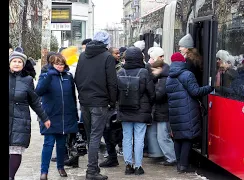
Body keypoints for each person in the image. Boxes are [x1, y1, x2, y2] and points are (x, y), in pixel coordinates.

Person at [75, 31, 117, 180]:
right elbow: (112, 82)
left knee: (90, 136)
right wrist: (112, 101)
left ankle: (93, 169)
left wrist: (82, 96)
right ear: (106, 43)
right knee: (95, 136)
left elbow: (77, 78)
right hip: (100, 103)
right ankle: (92, 171)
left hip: (85, 102)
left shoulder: (83, 56)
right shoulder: (108, 57)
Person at [165, 52, 213, 173]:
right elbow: (195, 92)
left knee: (178, 138)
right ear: (182, 62)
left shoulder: (169, 77)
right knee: (187, 138)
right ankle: (184, 165)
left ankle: (179, 164)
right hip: (187, 111)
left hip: (174, 112)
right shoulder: (187, 74)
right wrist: (210, 87)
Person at [35, 53, 79, 180]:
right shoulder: (45, 76)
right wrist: (48, 76)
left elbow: (72, 97)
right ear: (51, 64)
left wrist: (74, 115)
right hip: (50, 116)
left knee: (61, 144)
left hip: (66, 116)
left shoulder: (68, 77)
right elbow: (38, 92)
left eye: (62, 64)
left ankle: (61, 167)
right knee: (48, 144)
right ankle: (44, 172)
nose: (60, 66)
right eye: (57, 64)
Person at [9, 51, 51, 180]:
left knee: (15, 150)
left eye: (19, 61)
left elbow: (34, 101)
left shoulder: (27, 80)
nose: (17, 64)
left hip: (20, 121)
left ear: (23, 64)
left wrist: (44, 118)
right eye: (14, 61)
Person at [117, 47, 155, 175]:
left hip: (124, 109)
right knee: (139, 138)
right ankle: (138, 166)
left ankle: (128, 165)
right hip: (141, 110)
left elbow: (116, 92)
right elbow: (151, 92)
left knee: (126, 138)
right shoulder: (144, 72)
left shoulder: (121, 72)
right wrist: (150, 104)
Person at [148, 47, 177, 165]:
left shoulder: (163, 79)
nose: (152, 72)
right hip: (162, 111)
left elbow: (159, 95)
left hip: (163, 111)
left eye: (154, 70)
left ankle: (172, 157)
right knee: (161, 135)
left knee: (163, 136)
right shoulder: (161, 77)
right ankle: (168, 156)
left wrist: (151, 92)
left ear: (159, 69)